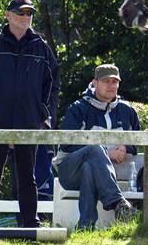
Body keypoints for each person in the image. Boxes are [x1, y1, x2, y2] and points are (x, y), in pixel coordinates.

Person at [0, 0, 59, 228]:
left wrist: (44, 113)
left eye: (29, 13)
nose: (26, 17)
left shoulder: (41, 47)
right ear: (7, 15)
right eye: (20, 13)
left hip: (29, 122)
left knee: (27, 178)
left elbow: (52, 84)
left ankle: (31, 224)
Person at [53, 64, 139, 229]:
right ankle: (117, 202)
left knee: (89, 167)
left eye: (114, 81)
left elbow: (137, 142)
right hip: (69, 171)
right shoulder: (78, 108)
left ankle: (86, 225)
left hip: (95, 172)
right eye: (106, 81)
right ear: (94, 83)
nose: (111, 85)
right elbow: (67, 146)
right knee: (94, 149)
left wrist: (125, 148)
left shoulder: (127, 111)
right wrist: (106, 152)